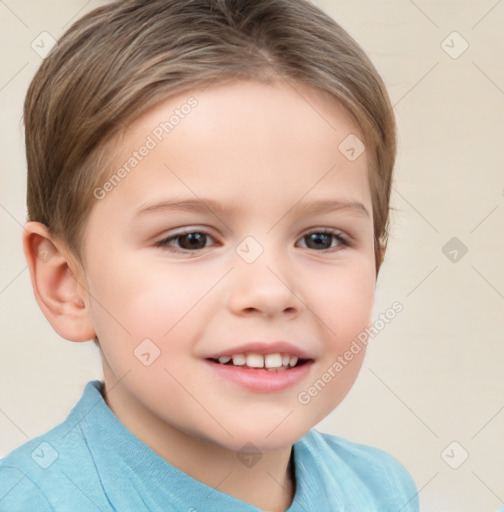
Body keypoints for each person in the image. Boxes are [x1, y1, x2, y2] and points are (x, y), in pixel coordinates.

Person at [0, 0, 419, 510]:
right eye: (190, 240)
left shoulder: (379, 491)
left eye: (320, 239)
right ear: (67, 284)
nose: (269, 292)